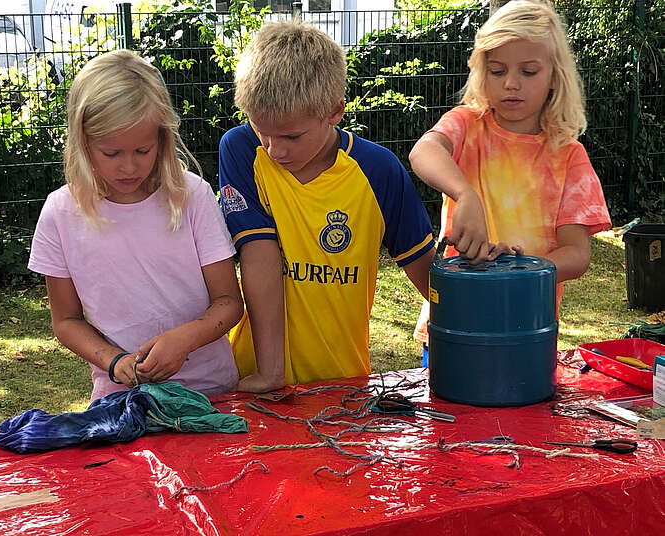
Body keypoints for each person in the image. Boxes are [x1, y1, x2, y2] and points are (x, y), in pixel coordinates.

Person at [218, 19, 436, 393]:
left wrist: (484, 297)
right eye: (261, 130)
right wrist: (271, 375)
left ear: (335, 111)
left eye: (291, 136)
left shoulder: (378, 171)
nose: (274, 149)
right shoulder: (240, 148)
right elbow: (258, 254)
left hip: (342, 387)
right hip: (255, 380)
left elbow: (429, 276)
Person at [28, 49, 243, 401]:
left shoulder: (192, 195)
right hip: (119, 397)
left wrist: (184, 339)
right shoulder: (60, 212)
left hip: (210, 391)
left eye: (142, 151)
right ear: (83, 142)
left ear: (162, 139)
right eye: (111, 153)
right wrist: (114, 361)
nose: (128, 167)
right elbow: (65, 322)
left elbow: (229, 302)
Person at [410, 0, 612, 354]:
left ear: (554, 76)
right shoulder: (466, 124)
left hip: (525, 329)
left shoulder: (568, 155)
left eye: (529, 71)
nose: (511, 84)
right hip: (453, 320)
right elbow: (423, 152)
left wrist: (517, 269)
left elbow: (577, 255)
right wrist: (466, 195)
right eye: (498, 70)